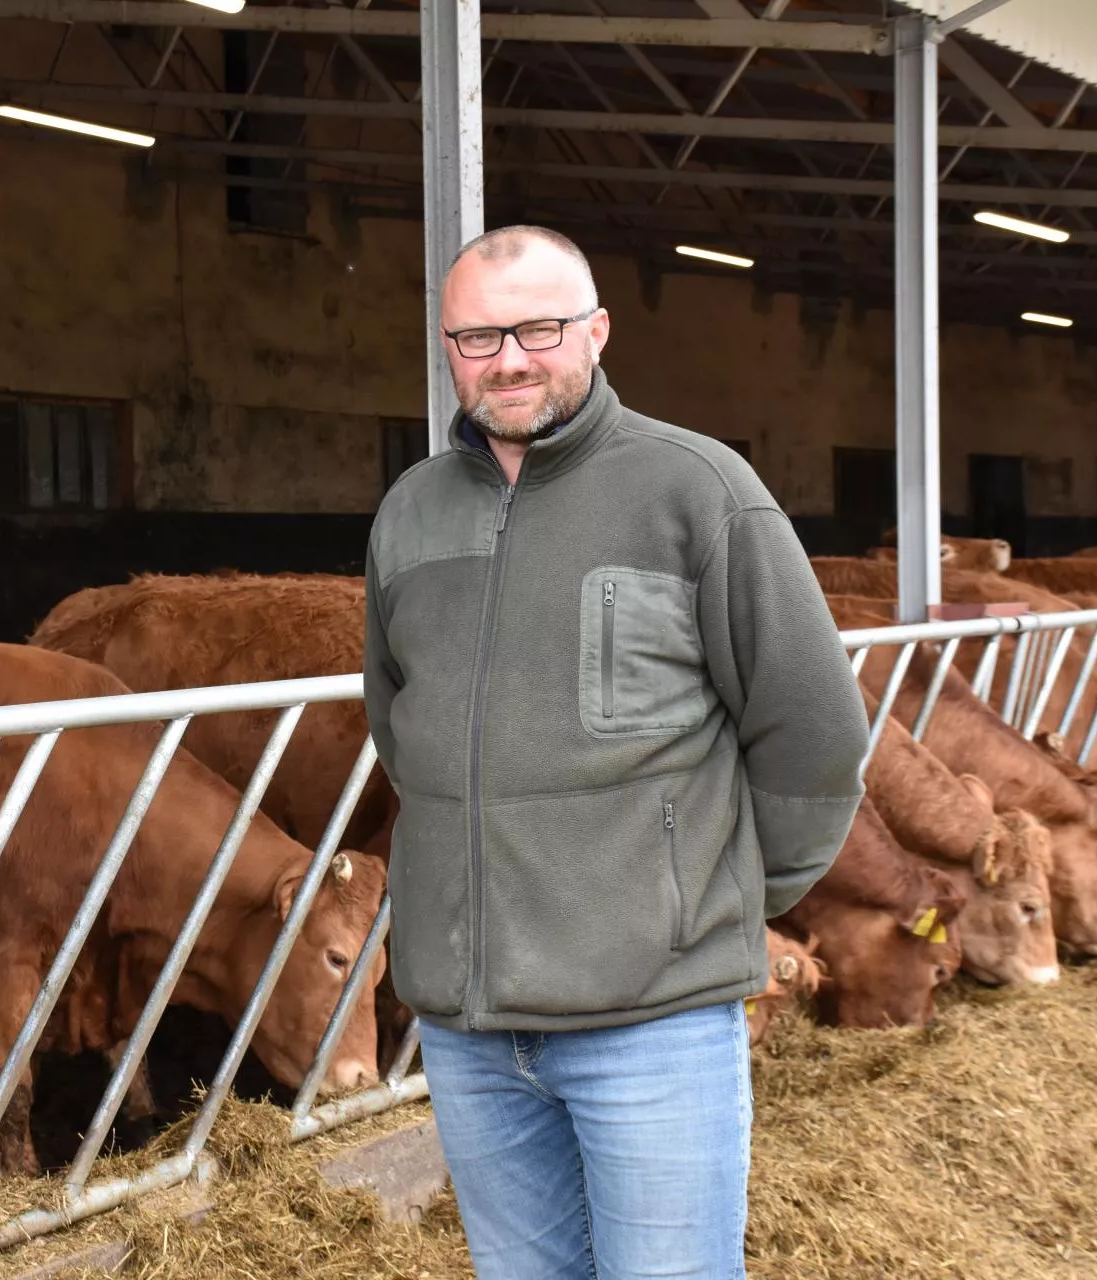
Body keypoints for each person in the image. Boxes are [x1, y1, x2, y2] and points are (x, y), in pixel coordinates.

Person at [362, 225, 869, 1279]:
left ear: (595, 330)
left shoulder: (698, 491)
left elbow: (813, 731)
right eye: (476, 335)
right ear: (447, 346)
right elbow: (401, 724)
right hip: (469, 1026)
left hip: (653, 1019)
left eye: (539, 328)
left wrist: (707, 898)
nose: (508, 358)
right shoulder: (410, 513)